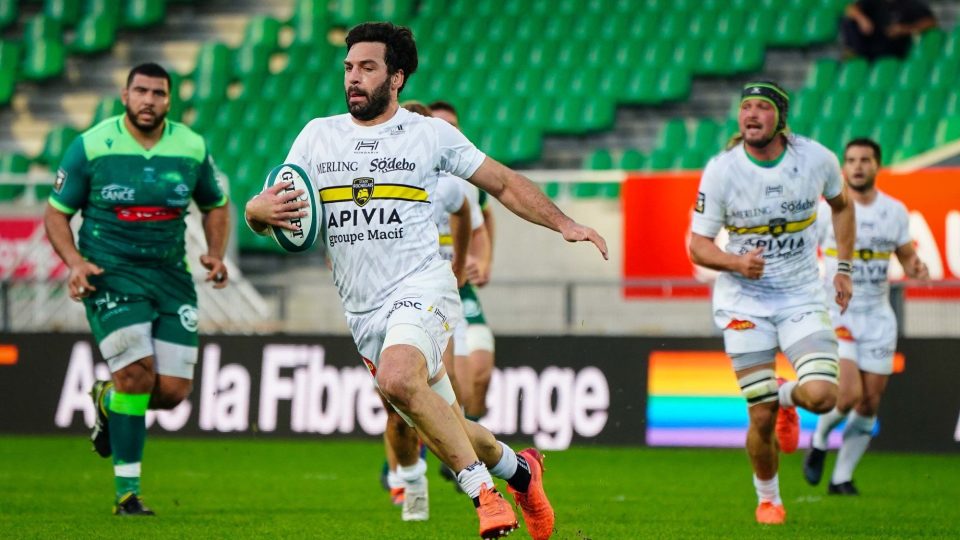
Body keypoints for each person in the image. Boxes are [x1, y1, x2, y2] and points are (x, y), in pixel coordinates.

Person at [245, 22, 607, 539]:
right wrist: (255, 212)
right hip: (363, 310)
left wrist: (565, 223)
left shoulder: (428, 134)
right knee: (447, 423)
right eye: (348, 67)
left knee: (396, 378)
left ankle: (485, 494)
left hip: (424, 287)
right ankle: (522, 472)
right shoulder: (316, 136)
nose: (353, 78)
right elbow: (275, 213)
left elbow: (501, 183)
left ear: (397, 77)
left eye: (367, 68)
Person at [43, 62, 230, 516]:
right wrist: (75, 263)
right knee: (135, 375)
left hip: (170, 276)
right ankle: (127, 493)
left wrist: (216, 252)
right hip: (110, 273)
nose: (149, 100)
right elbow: (56, 214)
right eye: (141, 91)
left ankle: (107, 399)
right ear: (124, 96)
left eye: (158, 93)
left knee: (171, 392)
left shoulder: (190, 146)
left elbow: (216, 204)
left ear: (170, 100)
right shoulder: (91, 146)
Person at [688, 81, 855, 525]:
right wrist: (736, 264)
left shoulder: (816, 159)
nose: (752, 115)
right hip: (745, 301)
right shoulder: (722, 170)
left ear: (780, 117)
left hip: (802, 295)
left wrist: (844, 269)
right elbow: (697, 246)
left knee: (821, 396)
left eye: (762, 107)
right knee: (759, 416)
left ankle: (784, 395)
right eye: (746, 107)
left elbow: (842, 207)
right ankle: (769, 500)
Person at [804, 138, 929, 494]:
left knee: (870, 401)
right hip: (838, 313)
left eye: (865, 160)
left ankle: (841, 477)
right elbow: (801, 249)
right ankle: (819, 439)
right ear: (843, 167)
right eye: (852, 160)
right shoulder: (827, 210)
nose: (858, 166)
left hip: (878, 316)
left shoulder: (895, 211)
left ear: (877, 165)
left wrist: (916, 267)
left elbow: (905, 255)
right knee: (847, 396)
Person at [377, 100, 475, 521]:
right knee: (395, 406)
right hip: (376, 302)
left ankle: (467, 471)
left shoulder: (444, 182)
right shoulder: (372, 173)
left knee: (432, 384)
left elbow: (466, 213)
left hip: (426, 296)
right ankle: (407, 476)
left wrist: (460, 264)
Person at [429, 100, 498, 430]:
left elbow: (483, 220)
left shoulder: (466, 181)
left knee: (478, 372)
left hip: (458, 286)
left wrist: (482, 261)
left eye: (454, 127)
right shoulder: (410, 176)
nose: (448, 133)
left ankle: (464, 444)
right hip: (422, 288)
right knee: (436, 377)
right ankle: (406, 455)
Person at [841, 0, 937, 60]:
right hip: (871, 41)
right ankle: (855, 52)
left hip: (894, 44)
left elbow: (931, 22)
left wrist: (905, 29)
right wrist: (862, 19)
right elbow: (850, 9)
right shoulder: (873, 2)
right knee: (848, 21)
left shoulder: (910, 4)